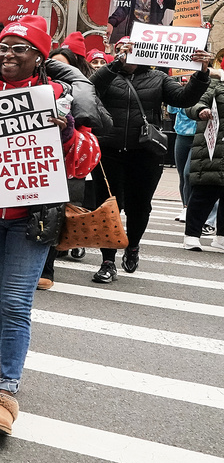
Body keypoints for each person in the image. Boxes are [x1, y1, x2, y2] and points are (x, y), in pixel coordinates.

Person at [0, 16, 100, 434]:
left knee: (15, 299)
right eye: (3, 48)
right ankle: (1, 358)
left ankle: (6, 390)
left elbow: (85, 160)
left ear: (39, 57)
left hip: (34, 215)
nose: (7, 55)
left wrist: (64, 133)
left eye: (19, 49)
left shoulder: (59, 96)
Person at [90, 38, 211, 281]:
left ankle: (132, 245)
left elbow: (184, 98)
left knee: (140, 205)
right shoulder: (108, 73)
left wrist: (202, 72)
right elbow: (90, 88)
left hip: (145, 152)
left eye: (135, 50)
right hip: (110, 151)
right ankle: (107, 261)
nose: (131, 54)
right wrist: (114, 65)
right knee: (108, 206)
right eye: (125, 50)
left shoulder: (158, 78)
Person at [182, 75, 224, 251]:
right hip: (213, 147)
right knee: (205, 191)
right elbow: (192, 103)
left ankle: (221, 237)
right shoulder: (215, 84)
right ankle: (191, 235)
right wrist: (201, 110)